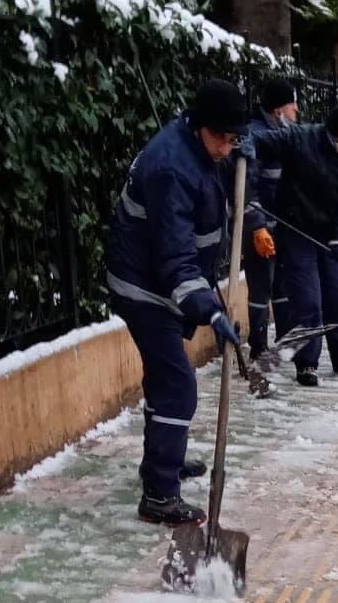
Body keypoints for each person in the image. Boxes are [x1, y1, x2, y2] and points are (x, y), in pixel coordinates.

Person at [105, 79, 249, 525]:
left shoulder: (202, 146)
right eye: (220, 138)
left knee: (166, 380)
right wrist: (209, 310)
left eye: (234, 139)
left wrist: (248, 148)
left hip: (158, 281)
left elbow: (270, 134)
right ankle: (159, 496)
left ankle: (165, 456)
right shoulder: (172, 170)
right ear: (198, 126)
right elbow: (175, 261)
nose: (226, 148)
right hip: (145, 288)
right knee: (177, 387)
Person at [251, 103, 338, 387]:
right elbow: (256, 139)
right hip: (296, 234)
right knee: (309, 304)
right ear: (336, 135)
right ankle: (306, 363)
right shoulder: (300, 139)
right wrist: (240, 144)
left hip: (328, 238)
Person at [244, 79, 299, 361]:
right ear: (278, 110)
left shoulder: (283, 133)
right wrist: (257, 226)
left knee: (282, 284)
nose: (297, 110)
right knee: (261, 285)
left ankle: (286, 338)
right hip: (261, 227)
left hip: (283, 226)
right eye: (292, 105)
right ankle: (258, 345)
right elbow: (247, 187)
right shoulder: (256, 137)